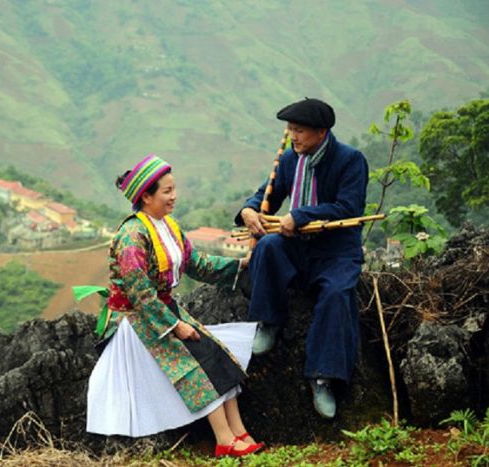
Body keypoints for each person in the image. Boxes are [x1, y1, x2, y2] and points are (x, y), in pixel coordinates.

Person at [85, 154, 265, 458]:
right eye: (167, 191)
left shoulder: (167, 226)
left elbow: (197, 263)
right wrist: (175, 326)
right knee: (194, 368)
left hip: (165, 309)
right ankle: (224, 440)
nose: (174, 196)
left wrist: (242, 265)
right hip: (137, 319)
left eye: (174, 189)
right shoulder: (131, 236)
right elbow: (140, 294)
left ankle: (239, 432)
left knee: (218, 355)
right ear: (146, 197)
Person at [236, 98, 369, 419]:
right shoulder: (290, 160)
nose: (292, 136)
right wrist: (249, 210)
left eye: (299, 130)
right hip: (298, 247)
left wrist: (301, 215)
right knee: (267, 247)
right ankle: (268, 321)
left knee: (337, 295)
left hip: (336, 252)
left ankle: (322, 377)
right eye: (290, 130)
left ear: (321, 132)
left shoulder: (351, 160)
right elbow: (265, 195)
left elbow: (348, 208)